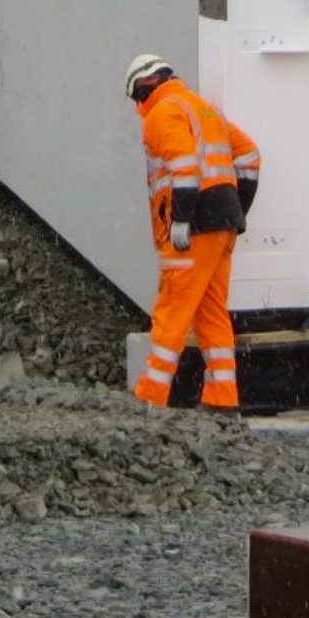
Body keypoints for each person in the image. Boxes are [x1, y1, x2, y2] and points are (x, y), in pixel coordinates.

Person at [124, 54, 260, 410]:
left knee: (172, 310)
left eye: (137, 97)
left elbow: (184, 164)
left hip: (194, 228)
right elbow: (249, 156)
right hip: (222, 224)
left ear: (144, 89)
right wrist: (233, 209)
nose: (139, 106)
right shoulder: (204, 109)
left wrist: (183, 219)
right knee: (210, 312)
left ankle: (150, 396)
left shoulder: (162, 113)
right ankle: (222, 398)